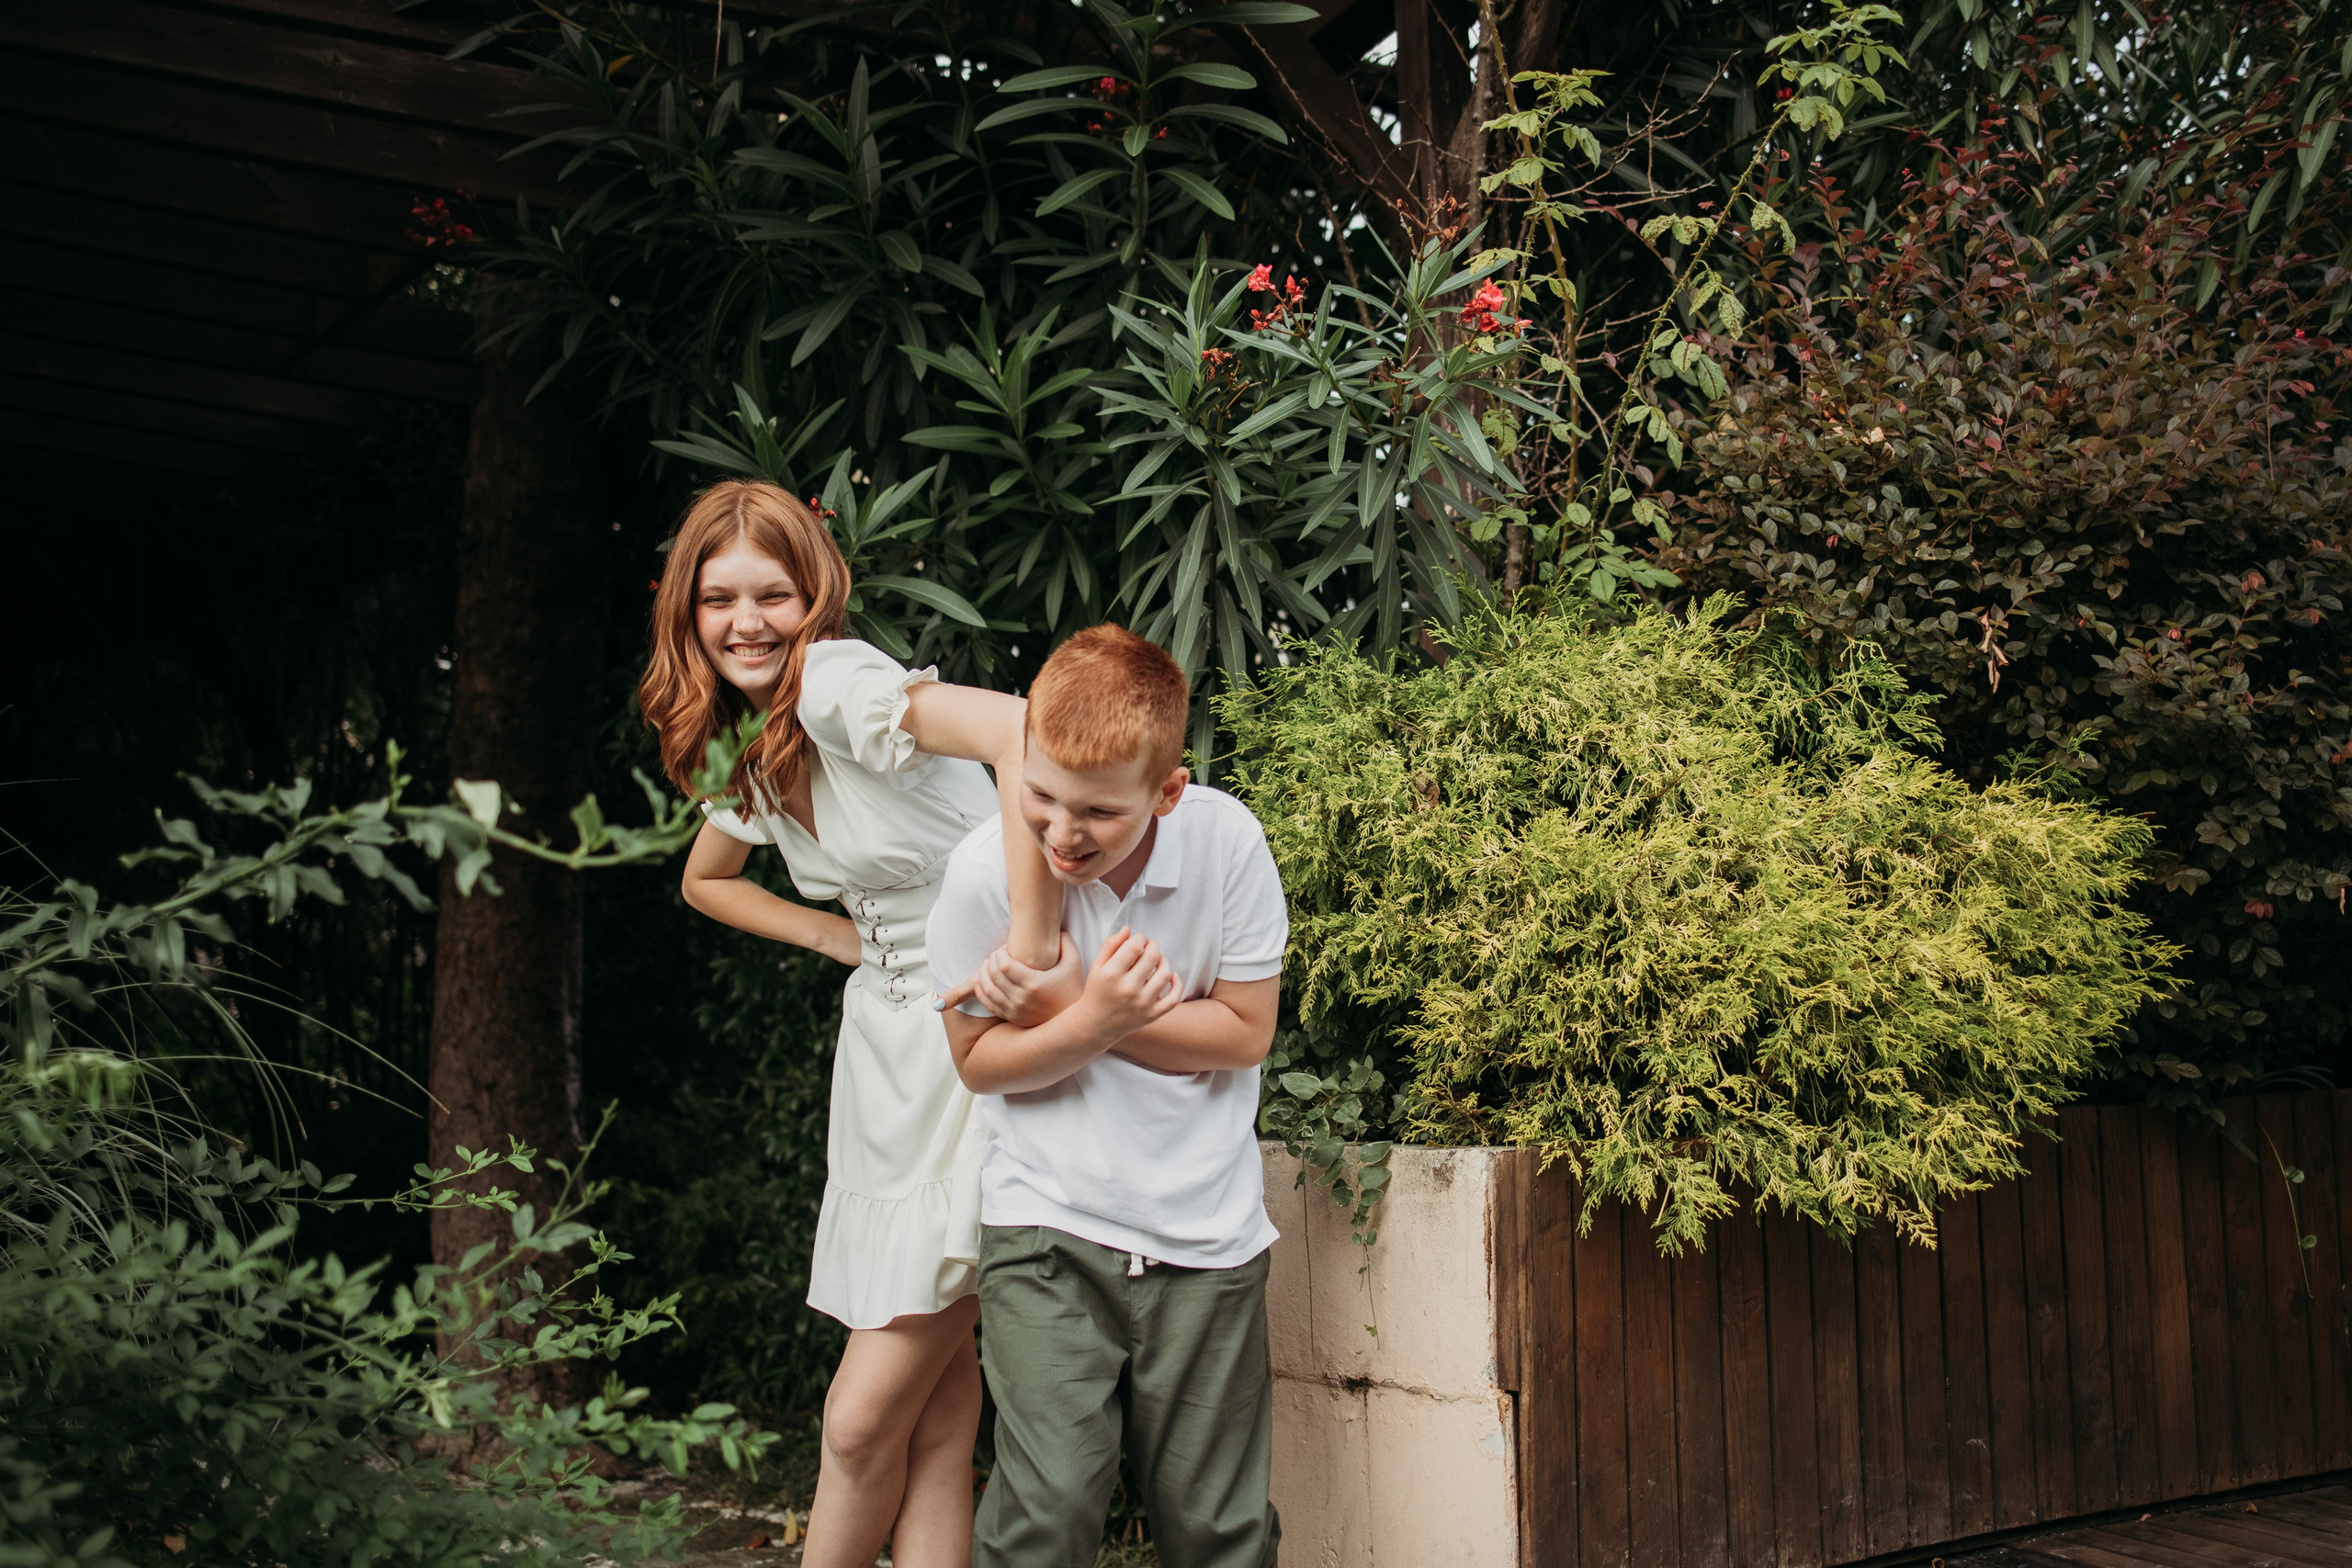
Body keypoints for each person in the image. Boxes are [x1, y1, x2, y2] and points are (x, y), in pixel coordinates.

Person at [639, 479, 1057, 1568]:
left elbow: (1021, 731)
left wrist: (1029, 936)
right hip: (886, 1046)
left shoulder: (831, 679)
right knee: (933, 1416)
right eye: (718, 599)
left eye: (772, 594)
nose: (746, 623)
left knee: (859, 1417)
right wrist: (844, 944)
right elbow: (707, 880)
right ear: (685, 611)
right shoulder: (751, 733)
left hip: (974, 1033)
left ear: (811, 595)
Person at [926, 624, 1288, 1568]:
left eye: (1096, 813)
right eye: (1039, 797)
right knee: (1044, 1517)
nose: (1059, 833)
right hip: (1046, 1224)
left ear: (1166, 793)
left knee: (1217, 1528)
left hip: (1207, 1237)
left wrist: (1085, 1010)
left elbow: (1244, 1033)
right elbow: (976, 1062)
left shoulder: (1228, 842)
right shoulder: (979, 878)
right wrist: (1091, 1017)